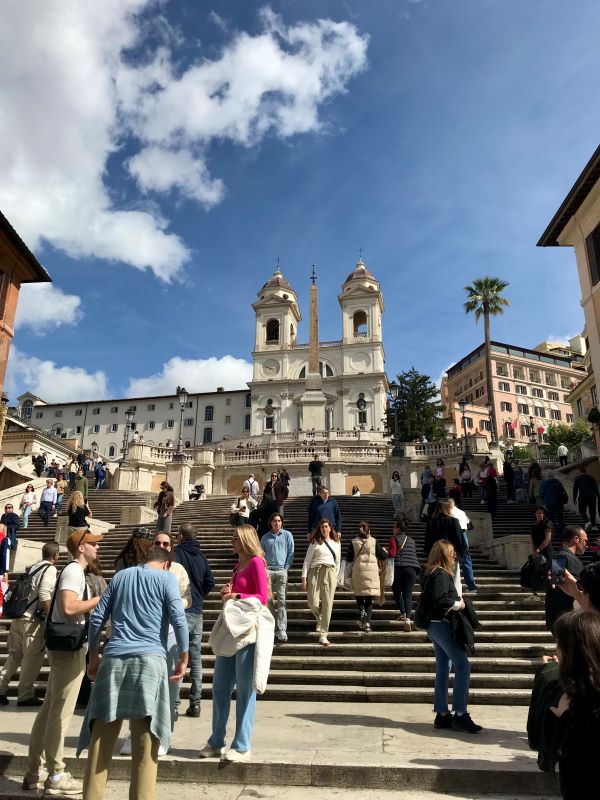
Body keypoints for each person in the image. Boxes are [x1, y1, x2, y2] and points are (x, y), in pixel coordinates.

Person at [78, 545, 189, 800]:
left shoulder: (121, 577)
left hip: (114, 659)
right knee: (145, 745)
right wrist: (184, 657)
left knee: (101, 741)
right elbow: (179, 619)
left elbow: (96, 619)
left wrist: (93, 656)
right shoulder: (166, 578)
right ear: (165, 564)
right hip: (150, 661)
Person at [23, 529, 103, 795]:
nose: (97, 549)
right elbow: (69, 607)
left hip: (64, 647)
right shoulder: (74, 571)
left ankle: (34, 770)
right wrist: (99, 601)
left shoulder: (72, 570)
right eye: (93, 545)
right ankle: (56, 773)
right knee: (61, 711)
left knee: (49, 708)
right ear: (81, 547)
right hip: (69, 649)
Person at [198, 525, 272, 762]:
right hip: (232, 631)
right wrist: (228, 593)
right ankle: (216, 740)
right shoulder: (237, 566)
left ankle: (241, 744)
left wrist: (237, 596)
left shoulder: (256, 563)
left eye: (235, 537)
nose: (232, 540)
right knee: (220, 688)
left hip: (247, 632)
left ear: (246, 540)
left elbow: (262, 597)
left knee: (244, 689)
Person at [419, 540, 482, 734]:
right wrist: (459, 605)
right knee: (463, 665)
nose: (455, 556)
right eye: (452, 553)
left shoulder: (434, 572)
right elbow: (441, 600)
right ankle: (460, 714)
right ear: (445, 554)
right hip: (441, 625)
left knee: (443, 666)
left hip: (435, 626)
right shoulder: (440, 574)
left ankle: (442, 713)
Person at [0, 542, 59, 707]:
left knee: (14, 656)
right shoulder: (50, 569)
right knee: (31, 658)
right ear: (56, 555)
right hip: (32, 620)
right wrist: (51, 617)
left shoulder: (33, 567)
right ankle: (25, 694)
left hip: (18, 617)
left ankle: (1, 688)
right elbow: (44, 593)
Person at [548, 611, 600, 799]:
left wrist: (564, 716)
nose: (556, 650)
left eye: (558, 643)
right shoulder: (582, 697)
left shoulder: (584, 710)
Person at [150, 532, 191, 749]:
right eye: (158, 543)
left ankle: (165, 734)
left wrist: (174, 606)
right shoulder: (144, 569)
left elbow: (188, 598)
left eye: (166, 543)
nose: (162, 546)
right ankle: (138, 732)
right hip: (148, 632)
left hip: (171, 631)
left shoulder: (178, 570)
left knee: (170, 685)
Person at [173, 523, 215, 718]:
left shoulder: (176, 554)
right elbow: (210, 582)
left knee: (176, 656)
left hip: (180, 610)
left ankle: (174, 702)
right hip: (197, 611)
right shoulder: (201, 556)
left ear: (181, 536)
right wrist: (199, 596)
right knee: (195, 659)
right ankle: (195, 703)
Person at [302, 519, 341, 646]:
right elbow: (307, 561)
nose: (324, 529)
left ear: (330, 528)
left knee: (328, 603)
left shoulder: (336, 542)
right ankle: (319, 618)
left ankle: (323, 635)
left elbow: (338, 562)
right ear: (319, 529)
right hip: (315, 571)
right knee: (312, 601)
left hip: (330, 571)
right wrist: (304, 578)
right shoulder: (315, 542)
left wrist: (335, 576)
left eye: (326, 527)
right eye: (322, 527)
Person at [545, 525, 586, 634]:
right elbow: (558, 589)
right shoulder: (564, 558)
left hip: (559, 618)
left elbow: (555, 587)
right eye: (585, 541)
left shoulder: (558, 557)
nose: (586, 545)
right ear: (576, 539)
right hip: (568, 619)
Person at [346, 521, 386, 632]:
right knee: (369, 600)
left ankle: (362, 611)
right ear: (369, 530)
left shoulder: (353, 542)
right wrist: (384, 551)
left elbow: (349, 558)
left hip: (358, 572)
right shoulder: (374, 541)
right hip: (372, 573)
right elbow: (382, 556)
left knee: (359, 596)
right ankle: (368, 624)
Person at [261, 513, 294, 643]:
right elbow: (261, 554)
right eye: (275, 521)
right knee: (268, 601)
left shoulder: (287, 535)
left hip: (281, 570)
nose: (277, 523)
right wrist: (264, 569)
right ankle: (272, 627)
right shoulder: (265, 537)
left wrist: (286, 567)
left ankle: (281, 630)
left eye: (279, 521)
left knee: (282, 601)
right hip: (268, 571)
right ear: (271, 523)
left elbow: (291, 552)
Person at [388, 519, 421, 631]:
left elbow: (392, 554)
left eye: (393, 527)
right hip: (412, 569)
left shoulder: (394, 538)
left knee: (396, 591)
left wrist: (385, 551)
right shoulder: (411, 540)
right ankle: (407, 618)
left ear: (397, 529)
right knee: (408, 594)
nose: (392, 529)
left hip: (398, 568)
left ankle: (403, 612)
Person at [447, 498, 477, 593]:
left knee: (451, 560)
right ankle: (471, 586)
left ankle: (451, 586)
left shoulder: (449, 512)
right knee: (466, 560)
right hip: (464, 534)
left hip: (453, 535)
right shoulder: (461, 512)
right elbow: (468, 524)